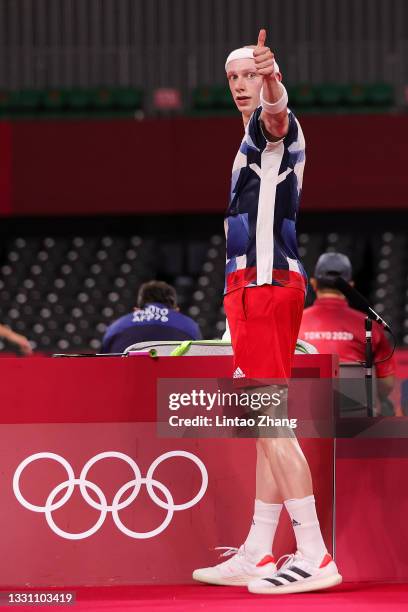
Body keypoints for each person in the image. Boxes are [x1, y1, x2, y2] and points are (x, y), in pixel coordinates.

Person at [193, 30, 341, 594]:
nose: (239, 85)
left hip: (266, 286)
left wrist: (273, 82)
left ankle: (314, 552)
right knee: (263, 421)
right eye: (232, 78)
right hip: (248, 290)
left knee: (272, 421)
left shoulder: (274, 134)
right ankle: (258, 550)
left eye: (247, 75)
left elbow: (277, 116)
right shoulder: (247, 146)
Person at [299, 252, 397, 414]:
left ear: (314, 283)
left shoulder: (294, 322)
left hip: (305, 419)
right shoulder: (371, 326)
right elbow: (386, 384)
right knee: (387, 407)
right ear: (350, 286)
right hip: (355, 421)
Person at [102, 280, 201, 353]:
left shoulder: (116, 327)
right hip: (173, 380)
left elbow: (102, 363)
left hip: (126, 379)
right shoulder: (190, 327)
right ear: (176, 311)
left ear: (137, 310)